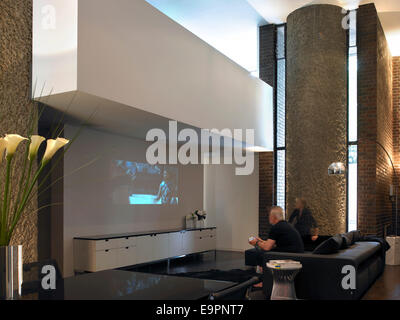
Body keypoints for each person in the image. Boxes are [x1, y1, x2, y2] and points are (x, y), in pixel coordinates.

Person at [249, 206, 304, 287]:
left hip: (290, 254)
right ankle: (264, 278)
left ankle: (265, 282)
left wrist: (256, 242)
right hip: (295, 252)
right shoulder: (285, 225)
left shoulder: (276, 227)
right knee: (265, 251)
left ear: (273, 217)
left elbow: (267, 247)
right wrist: (260, 241)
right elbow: (272, 244)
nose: (268, 217)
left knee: (262, 254)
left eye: (269, 216)